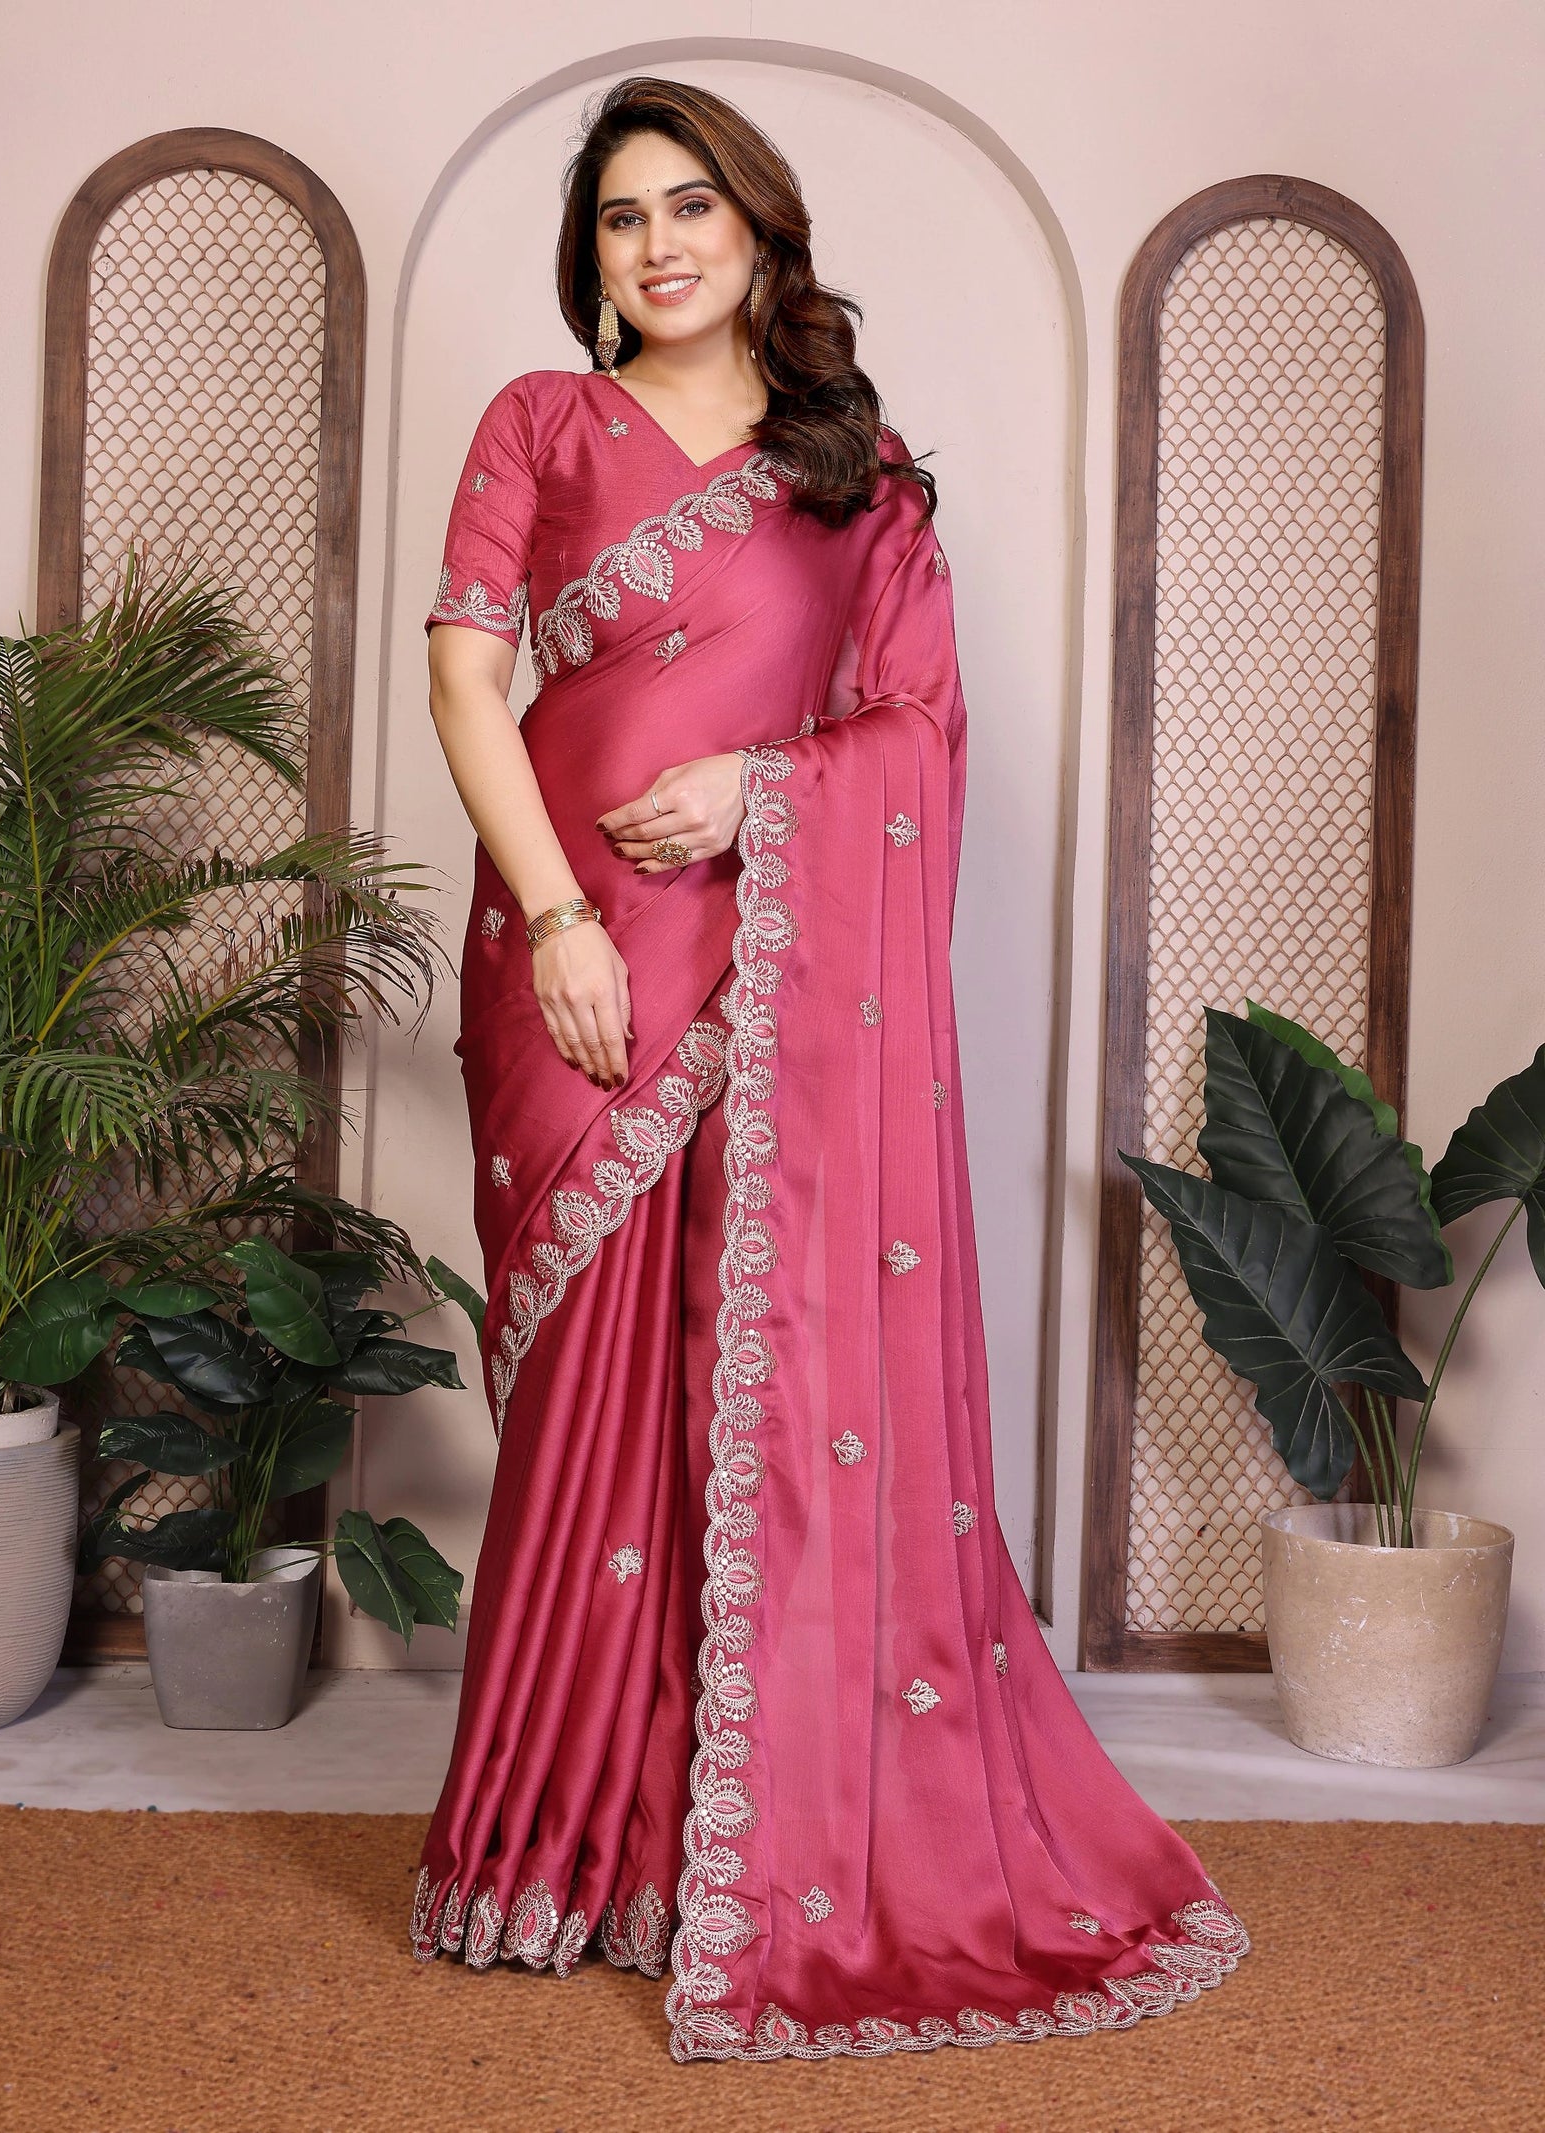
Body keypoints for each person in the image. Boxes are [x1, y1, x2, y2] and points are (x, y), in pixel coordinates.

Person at [407, 74, 1249, 2064]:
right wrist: (566, 917)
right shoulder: (540, 425)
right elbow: (462, 676)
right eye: (622, 216)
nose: (657, 244)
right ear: (592, 256)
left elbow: (916, 743)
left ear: (762, 230)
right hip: (575, 961)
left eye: (690, 206)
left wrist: (761, 792)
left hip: (771, 970)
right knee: (590, 1398)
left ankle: (720, 1847)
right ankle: (562, 1844)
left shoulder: (854, 482)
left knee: (752, 1383)